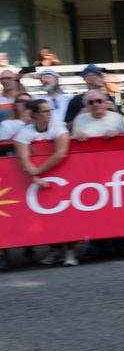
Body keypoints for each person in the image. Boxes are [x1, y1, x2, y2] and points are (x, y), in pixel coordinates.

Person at [14, 99, 76, 266]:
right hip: (40, 179)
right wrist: (35, 178)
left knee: (68, 215)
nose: (49, 114)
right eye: (45, 111)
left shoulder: (57, 125)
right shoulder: (25, 131)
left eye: (50, 110)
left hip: (62, 174)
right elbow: (23, 158)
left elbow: (61, 153)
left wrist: (37, 172)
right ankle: (55, 250)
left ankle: (70, 252)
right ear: (34, 114)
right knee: (46, 217)